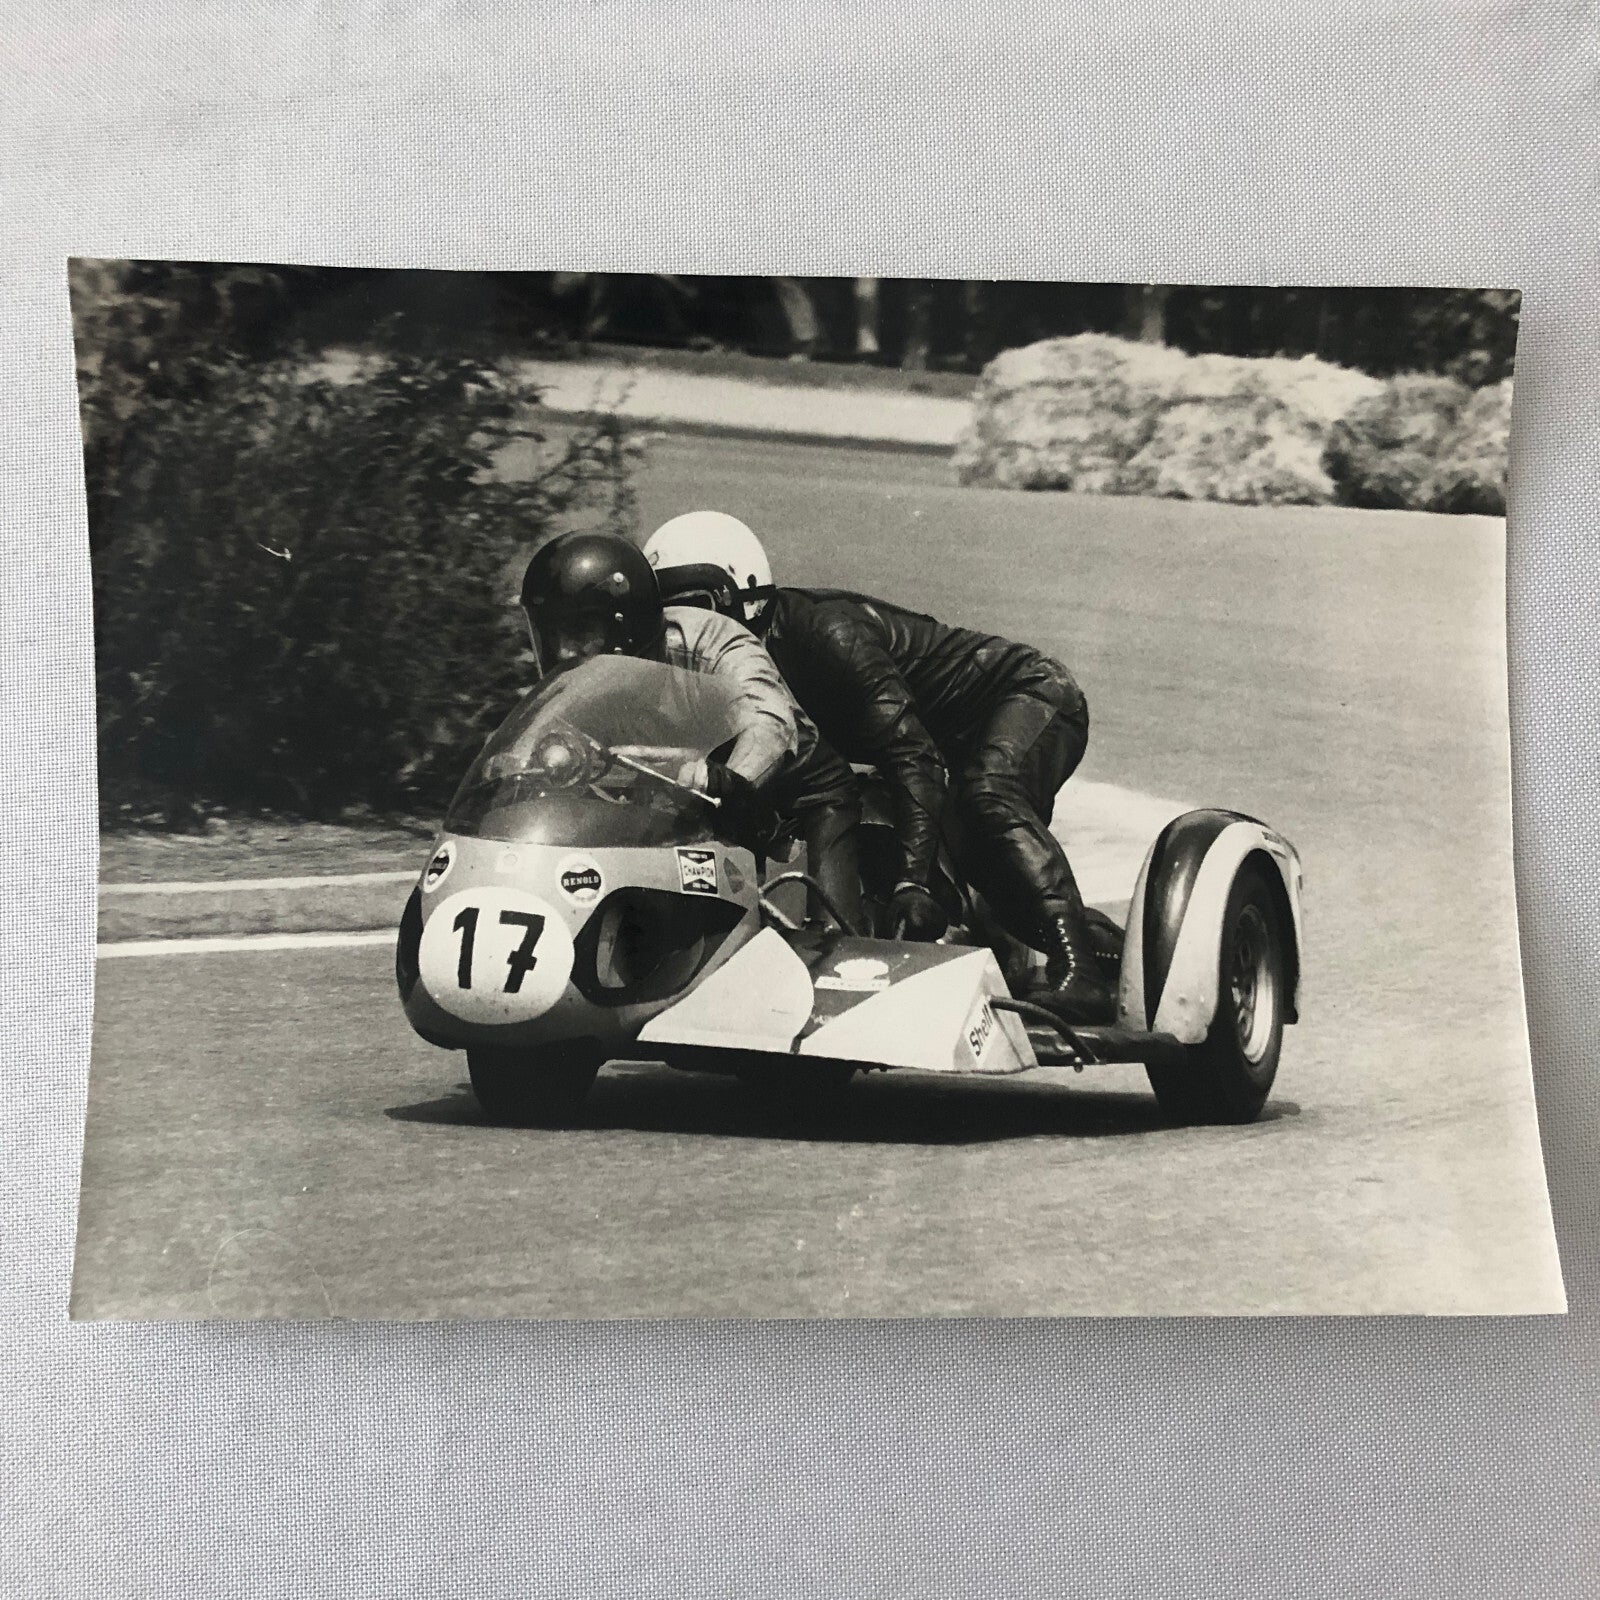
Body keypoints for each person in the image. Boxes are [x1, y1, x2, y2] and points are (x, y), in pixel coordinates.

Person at [642, 512, 1116, 1024]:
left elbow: (913, 757)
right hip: (938, 745)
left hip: (1029, 694)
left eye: (699, 607)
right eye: (668, 611)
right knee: (999, 891)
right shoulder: (719, 664)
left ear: (747, 597)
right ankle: (1116, 957)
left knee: (988, 794)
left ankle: (1082, 976)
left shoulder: (830, 636)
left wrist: (910, 883)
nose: (689, 626)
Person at [520, 531, 863, 930]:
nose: (563, 651)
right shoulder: (580, 683)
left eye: (579, 632)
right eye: (553, 633)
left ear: (624, 625)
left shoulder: (712, 644)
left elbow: (768, 722)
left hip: (796, 797)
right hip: (685, 807)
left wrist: (728, 779)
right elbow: (529, 742)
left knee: (834, 950)